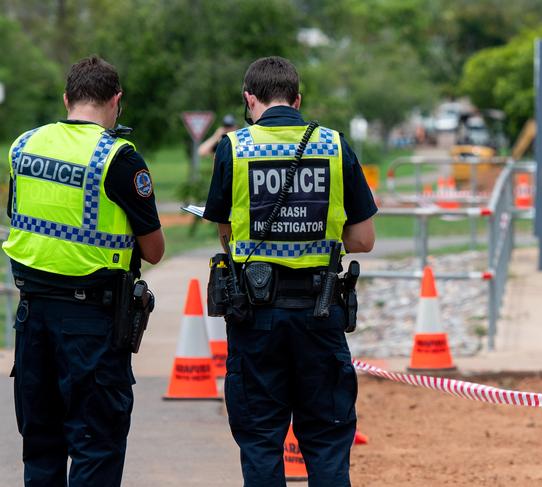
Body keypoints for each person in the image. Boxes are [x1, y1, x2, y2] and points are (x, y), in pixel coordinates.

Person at [203, 56, 376, 486]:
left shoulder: (234, 146)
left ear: (249, 99)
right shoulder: (335, 146)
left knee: (262, 441)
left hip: (255, 315)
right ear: (297, 99)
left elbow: (227, 233)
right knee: (327, 440)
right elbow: (363, 240)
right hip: (320, 314)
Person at [4, 56, 165, 486]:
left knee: (41, 448)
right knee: (96, 447)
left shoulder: (24, 146)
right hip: (92, 327)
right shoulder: (119, 159)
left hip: (33, 320)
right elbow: (154, 250)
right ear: (117, 101)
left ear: (66, 98)